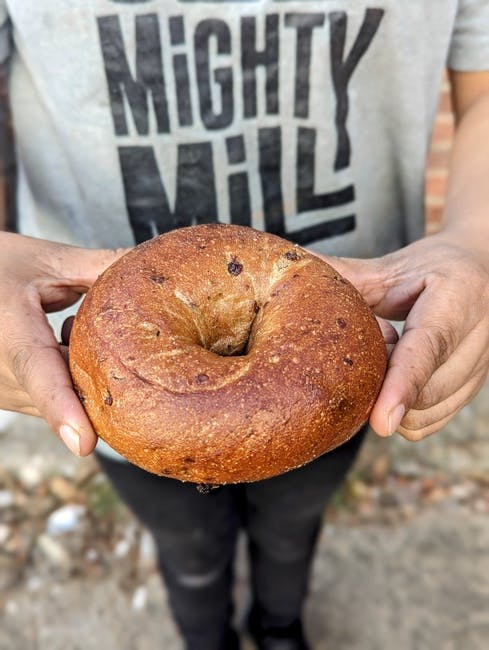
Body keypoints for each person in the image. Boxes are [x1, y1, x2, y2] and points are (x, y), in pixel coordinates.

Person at [1, 2, 489, 649]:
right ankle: (206, 636)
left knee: (294, 522)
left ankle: (279, 625)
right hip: (102, 373)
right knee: (186, 543)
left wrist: (475, 241)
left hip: (345, 364)